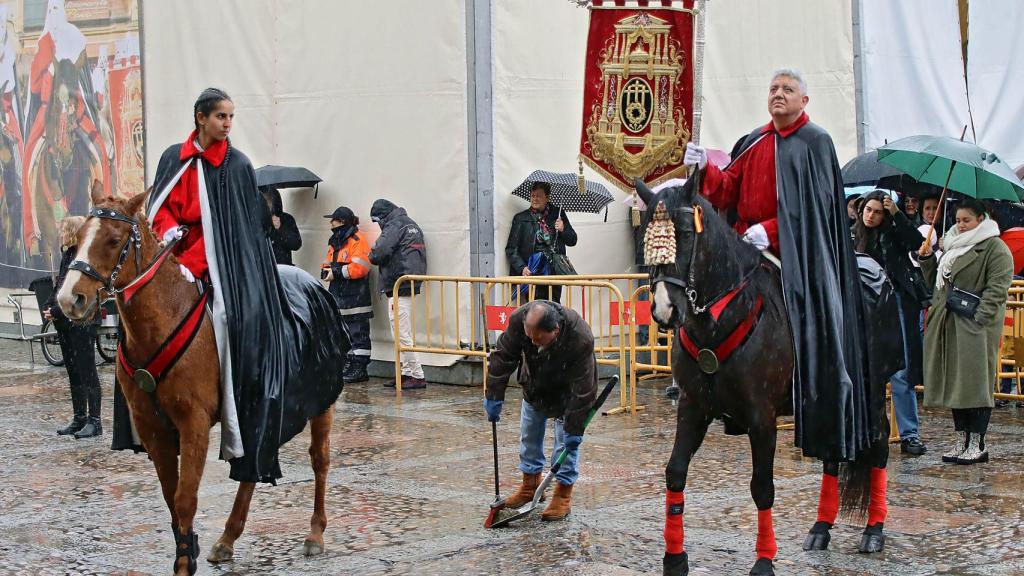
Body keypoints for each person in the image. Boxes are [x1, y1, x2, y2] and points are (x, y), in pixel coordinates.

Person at [142, 87, 347, 483]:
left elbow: (236, 226)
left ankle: (244, 402)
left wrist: (202, 255)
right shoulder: (173, 158)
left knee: (234, 316)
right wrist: (170, 234)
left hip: (222, 261)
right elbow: (161, 206)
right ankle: (142, 406)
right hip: (174, 251)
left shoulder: (236, 165)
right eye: (221, 117)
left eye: (232, 117)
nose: (228, 124)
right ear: (201, 118)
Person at [683, 69, 874, 463]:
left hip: (797, 253)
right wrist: (704, 168)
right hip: (745, 247)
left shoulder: (815, 142)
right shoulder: (754, 140)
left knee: (813, 311)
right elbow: (727, 186)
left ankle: (815, 381)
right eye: (773, 88)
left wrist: (770, 233)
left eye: (788, 90)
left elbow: (814, 209)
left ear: (804, 101)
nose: (778, 95)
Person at [918, 198, 1013, 464]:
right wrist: (926, 260)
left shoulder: (995, 248)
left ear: (981, 219)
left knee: (975, 384)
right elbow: (938, 285)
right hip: (949, 324)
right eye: (958, 220)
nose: (960, 225)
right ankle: (962, 437)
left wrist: (979, 318)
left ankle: (978, 441)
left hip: (974, 327)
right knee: (956, 385)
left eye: (966, 220)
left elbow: (997, 289)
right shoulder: (951, 246)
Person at [483, 300, 597, 521]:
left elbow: (584, 390)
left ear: (555, 331)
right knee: (529, 436)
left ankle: (563, 493)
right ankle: (530, 485)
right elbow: (503, 356)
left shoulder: (580, 337)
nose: (532, 343)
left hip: (568, 393)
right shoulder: (520, 321)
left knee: (565, 444)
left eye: (538, 338)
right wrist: (493, 395)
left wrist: (575, 428)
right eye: (529, 337)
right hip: (534, 385)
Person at [852, 191, 931, 455]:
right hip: (863, 305)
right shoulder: (852, 236)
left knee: (901, 372)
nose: (871, 215)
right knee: (862, 370)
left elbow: (916, 242)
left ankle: (909, 434)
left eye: (877, 211)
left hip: (896, 301)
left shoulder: (894, 232)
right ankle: (862, 431)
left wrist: (897, 215)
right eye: (868, 210)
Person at [45, 215, 103, 438]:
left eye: (63, 229)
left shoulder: (81, 256)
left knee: (87, 371)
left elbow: (80, 291)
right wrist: (50, 305)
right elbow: (60, 285)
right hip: (65, 322)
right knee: (74, 372)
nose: (60, 232)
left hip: (82, 320)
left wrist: (57, 310)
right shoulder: (67, 254)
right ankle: (79, 417)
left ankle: (94, 421)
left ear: (71, 231)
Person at [368, 198, 427, 389]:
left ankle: (416, 374)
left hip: (398, 283)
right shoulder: (410, 224)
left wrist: (372, 252)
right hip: (409, 282)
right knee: (402, 330)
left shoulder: (395, 225)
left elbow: (378, 253)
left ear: (382, 216)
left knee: (401, 331)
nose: (378, 225)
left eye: (377, 221)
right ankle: (405, 373)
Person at [321, 206, 372, 383]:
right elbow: (327, 263)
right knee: (345, 333)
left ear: (341, 222)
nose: (330, 224)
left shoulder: (357, 241)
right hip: (339, 296)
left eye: (333, 220)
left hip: (356, 296)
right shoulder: (335, 242)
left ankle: (360, 367)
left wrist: (336, 272)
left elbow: (362, 267)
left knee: (358, 333)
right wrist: (327, 271)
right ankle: (349, 363)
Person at [505, 182, 578, 302]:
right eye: (533, 195)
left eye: (538, 195)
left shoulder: (558, 214)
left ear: (547, 197)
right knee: (534, 310)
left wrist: (563, 229)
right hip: (533, 272)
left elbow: (573, 240)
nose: (535, 199)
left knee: (554, 308)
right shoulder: (521, 218)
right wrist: (522, 268)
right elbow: (511, 249)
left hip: (554, 273)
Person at [262, 186, 302, 265]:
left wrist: (280, 228)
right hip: (263, 267)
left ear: (274, 201)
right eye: (263, 200)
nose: (266, 204)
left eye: (268, 200)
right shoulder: (256, 219)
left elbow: (296, 244)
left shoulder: (287, 219)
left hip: (283, 266)